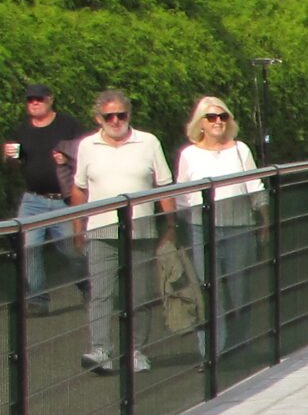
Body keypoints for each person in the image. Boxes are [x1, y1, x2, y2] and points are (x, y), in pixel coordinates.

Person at [70, 87, 172, 375]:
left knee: (138, 293)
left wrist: (171, 225)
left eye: (121, 115)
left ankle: (136, 349)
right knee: (101, 292)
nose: (115, 121)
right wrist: (78, 227)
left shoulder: (148, 142)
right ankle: (100, 349)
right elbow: (79, 188)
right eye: (109, 116)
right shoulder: (88, 146)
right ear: (99, 118)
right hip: (101, 228)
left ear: (129, 115)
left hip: (140, 227)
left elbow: (164, 185)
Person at [173, 95, 266, 358]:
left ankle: (239, 343)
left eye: (223, 116)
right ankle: (210, 349)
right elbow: (182, 195)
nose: (218, 122)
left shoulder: (241, 149)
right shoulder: (188, 154)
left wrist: (264, 221)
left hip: (239, 226)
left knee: (239, 289)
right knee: (207, 290)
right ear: (200, 122)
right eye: (212, 117)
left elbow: (255, 187)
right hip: (202, 228)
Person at [6, 84, 83, 310]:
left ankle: (88, 285)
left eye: (39, 99)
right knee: (29, 248)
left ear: (50, 100)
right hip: (33, 200)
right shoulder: (21, 131)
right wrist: (10, 158)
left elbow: (86, 155)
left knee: (71, 249)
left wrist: (67, 160)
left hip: (63, 200)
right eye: (30, 100)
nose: (35, 103)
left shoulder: (68, 125)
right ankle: (38, 300)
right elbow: (15, 165)